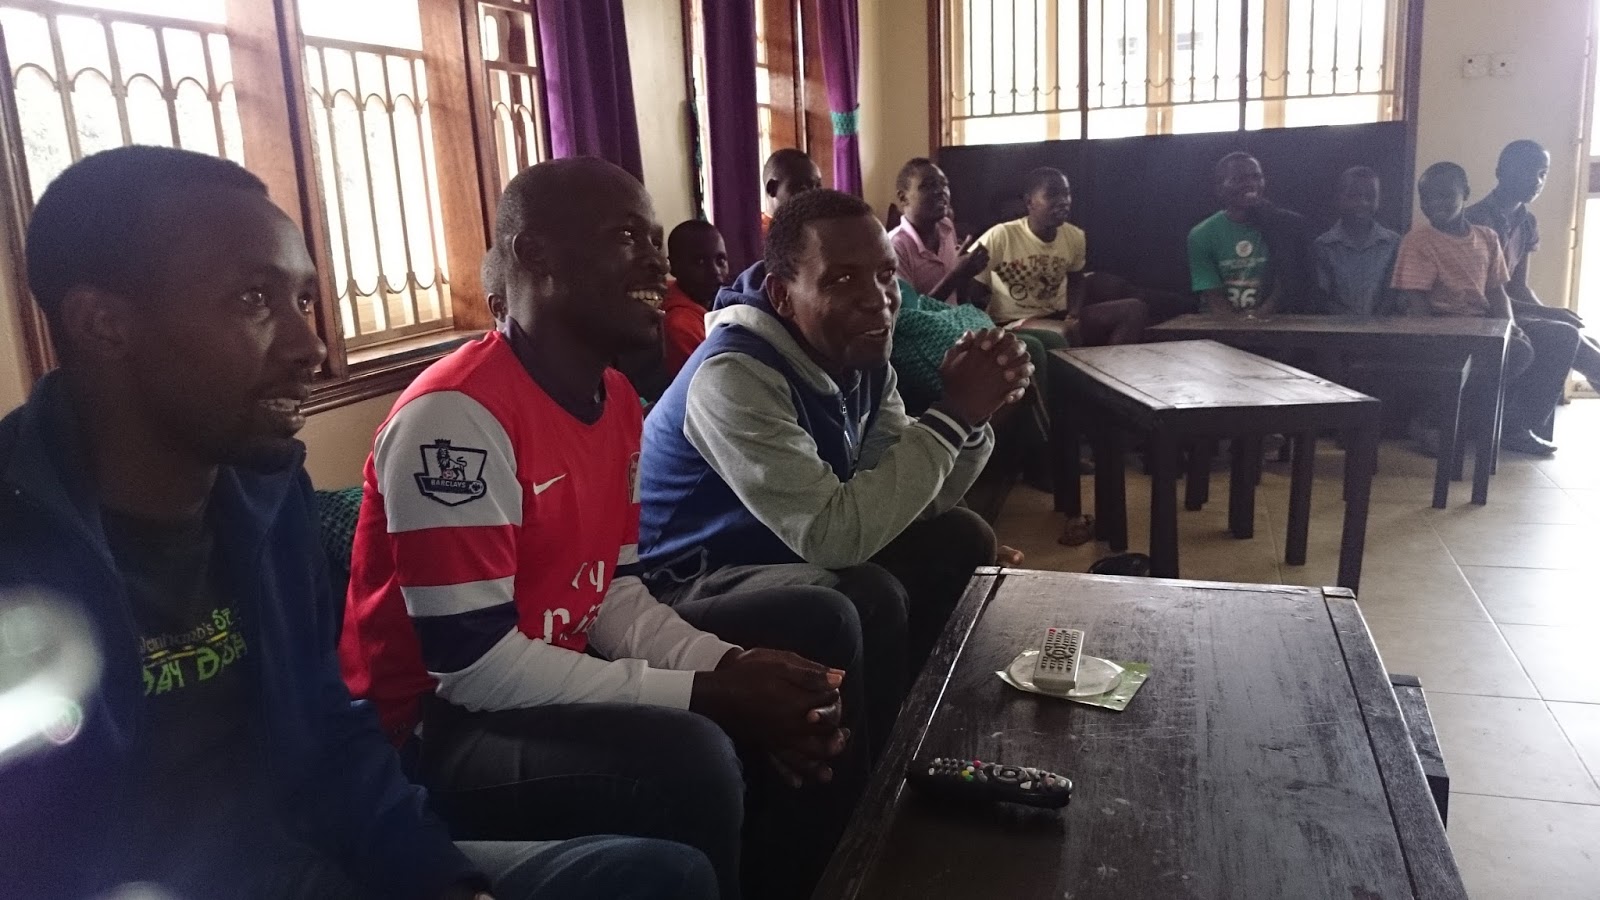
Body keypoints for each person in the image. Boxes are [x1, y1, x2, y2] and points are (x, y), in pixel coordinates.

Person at [0, 146, 717, 900]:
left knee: (655, 877)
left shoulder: (266, 492)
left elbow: (331, 730)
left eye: (304, 300)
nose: (310, 347)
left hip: (311, 855)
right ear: (104, 325)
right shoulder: (22, 544)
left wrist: (446, 884)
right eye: (253, 300)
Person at [339, 157, 869, 900]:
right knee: (690, 754)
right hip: (428, 730)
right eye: (628, 237)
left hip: (539, 673)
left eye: (655, 239)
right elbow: (473, 667)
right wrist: (708, 694)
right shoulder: (455, 419)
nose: (658, 262)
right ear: (535, 254)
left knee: (805, 645)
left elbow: (614, 594)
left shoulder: (616, 399)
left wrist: (732, 666)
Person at [640, 189, 1031, 758]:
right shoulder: (733, 376)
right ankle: (877, 779)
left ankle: (927, 728)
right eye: (842, 279)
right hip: (690, 579)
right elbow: (834, 537)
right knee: (864, 595)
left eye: (885, 275)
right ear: (783, 294)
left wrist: (970, 420)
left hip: (781, 552)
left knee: (960, 536)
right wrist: (952, 414)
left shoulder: (861, 356)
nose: (877, 300)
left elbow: (910, 501)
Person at [1391, 162, 1578, 456]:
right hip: (1444, 324)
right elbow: (1417, 302)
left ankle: (1515, 427)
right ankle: (1433, 420)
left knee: (1561, 336)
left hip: (1484, 322)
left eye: (1445, 195)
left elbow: (1496, 292)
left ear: (1465, 193)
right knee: (1517, 353)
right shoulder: (1418, 241)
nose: (1434, 204)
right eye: (1427, 197)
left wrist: (1508, 327)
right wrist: (1435, 338)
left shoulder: (1487, 238)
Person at [1466, 139, 1600, 401]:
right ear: (1500, 172)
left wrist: (1552, 315)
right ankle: (1522, 420)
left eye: (1542, 173)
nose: (1536, 181)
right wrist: (1548, 314)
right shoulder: (1475, 221)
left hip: (1512, 308)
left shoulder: (1527, 222)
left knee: (1586, 340)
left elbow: (1519, 287)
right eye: (1527, 171)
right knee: (1571, 339)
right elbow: (1484, 295)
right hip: (1484, 313)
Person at [971, 167, 1148, 351]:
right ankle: (1081, 368)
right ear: (1030, 202)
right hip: (1013, 321)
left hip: (1058, 315)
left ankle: (1105, 367)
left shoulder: (1074, 236)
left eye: (1067, 194)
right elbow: (972, 286)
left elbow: (1076, 279)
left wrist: (1074, 314)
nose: (1063, 201)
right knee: (1063, 332)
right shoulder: (1001, 235)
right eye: (1052, 195)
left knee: (1134, 310)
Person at [1189, 152, 1315, 316]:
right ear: (1219, 189)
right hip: (1219, 322)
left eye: (1256, 177)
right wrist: (1237, 327)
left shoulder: (1285, 226)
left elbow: (1284, 285)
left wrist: (1257, 320)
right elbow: (1214, 297)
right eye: (1239, 179)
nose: (1250, 184)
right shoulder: (1202, 234)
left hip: (1274, 320)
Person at [889, 158, 989, 301]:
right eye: (928, 185)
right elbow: (912, 313)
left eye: (944, 184)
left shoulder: (946, 226)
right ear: (903, 197)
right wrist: (955, 275)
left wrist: (966, 273)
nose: (941, 191)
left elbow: (956, 297)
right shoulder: (895, 247)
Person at [1313, 166, 1401, 315]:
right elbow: (1321, 297)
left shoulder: (1393, 243)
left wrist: (1374, 323)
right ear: (1338, 198)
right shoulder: (1324, 245)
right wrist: (1353, 323)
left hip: (1383, 325)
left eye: (1370, 197)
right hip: (1335, 326)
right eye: (1353, 196)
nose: (1363, 203)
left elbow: (1392, 293)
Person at [662, 220, 730, 377]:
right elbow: (712, 379)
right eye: (700, 262)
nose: (715, 271)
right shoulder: (680, 324)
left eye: (720, 260)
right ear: (673, 267)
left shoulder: (715, 301)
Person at [762, 148, 823, 233]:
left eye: (818, 187)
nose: (814, 196)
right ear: (772, 188)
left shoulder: (817, 231)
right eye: (802, 189)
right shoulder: (754, 235)